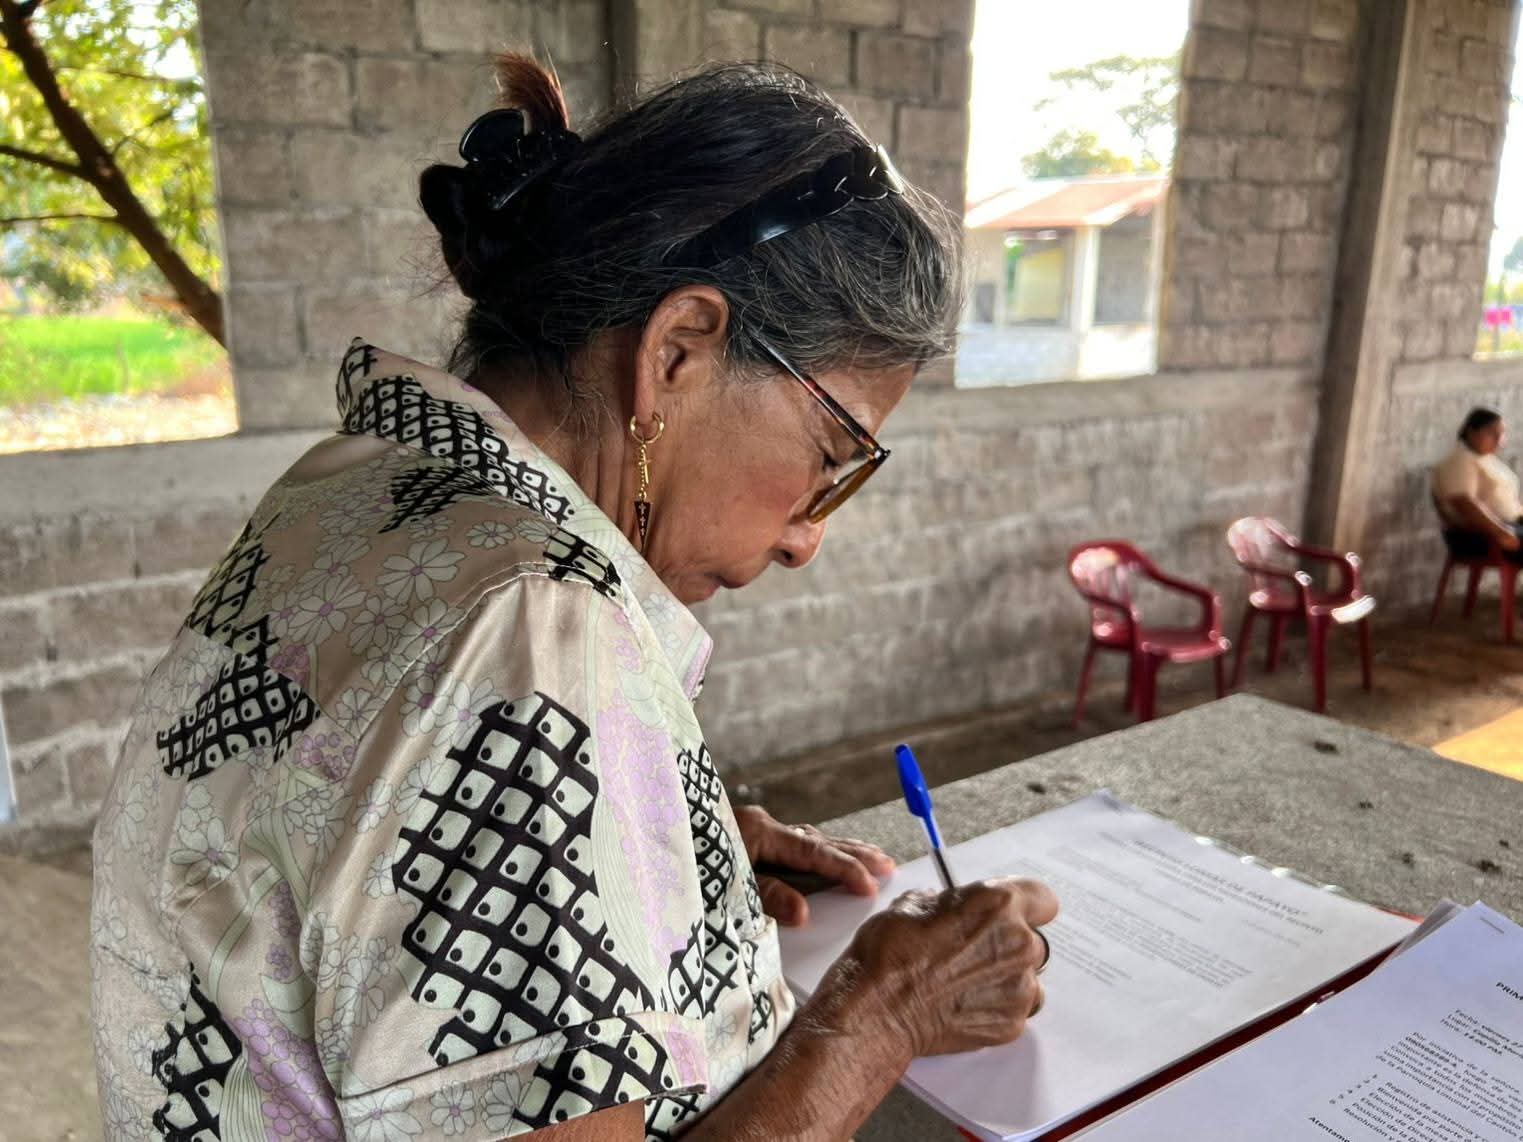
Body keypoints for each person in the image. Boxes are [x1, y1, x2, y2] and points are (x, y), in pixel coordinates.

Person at [90, 56, 1056, 1142]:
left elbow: (346, 846)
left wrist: (645, 853)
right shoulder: (529, 628)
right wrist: (881, 1015)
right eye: (832, 453)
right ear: (678, 350)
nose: (806, 535)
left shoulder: (361, 486)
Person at [1432, 406, 1523, 561]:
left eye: (1502, 434)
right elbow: (1464, 503)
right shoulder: (1460, 461)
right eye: (1492, 433)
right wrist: (1500, 532)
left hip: (1511, 525)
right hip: (1483, 535)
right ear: (1471, 432)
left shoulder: (1487, 460)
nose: (1499, 440)